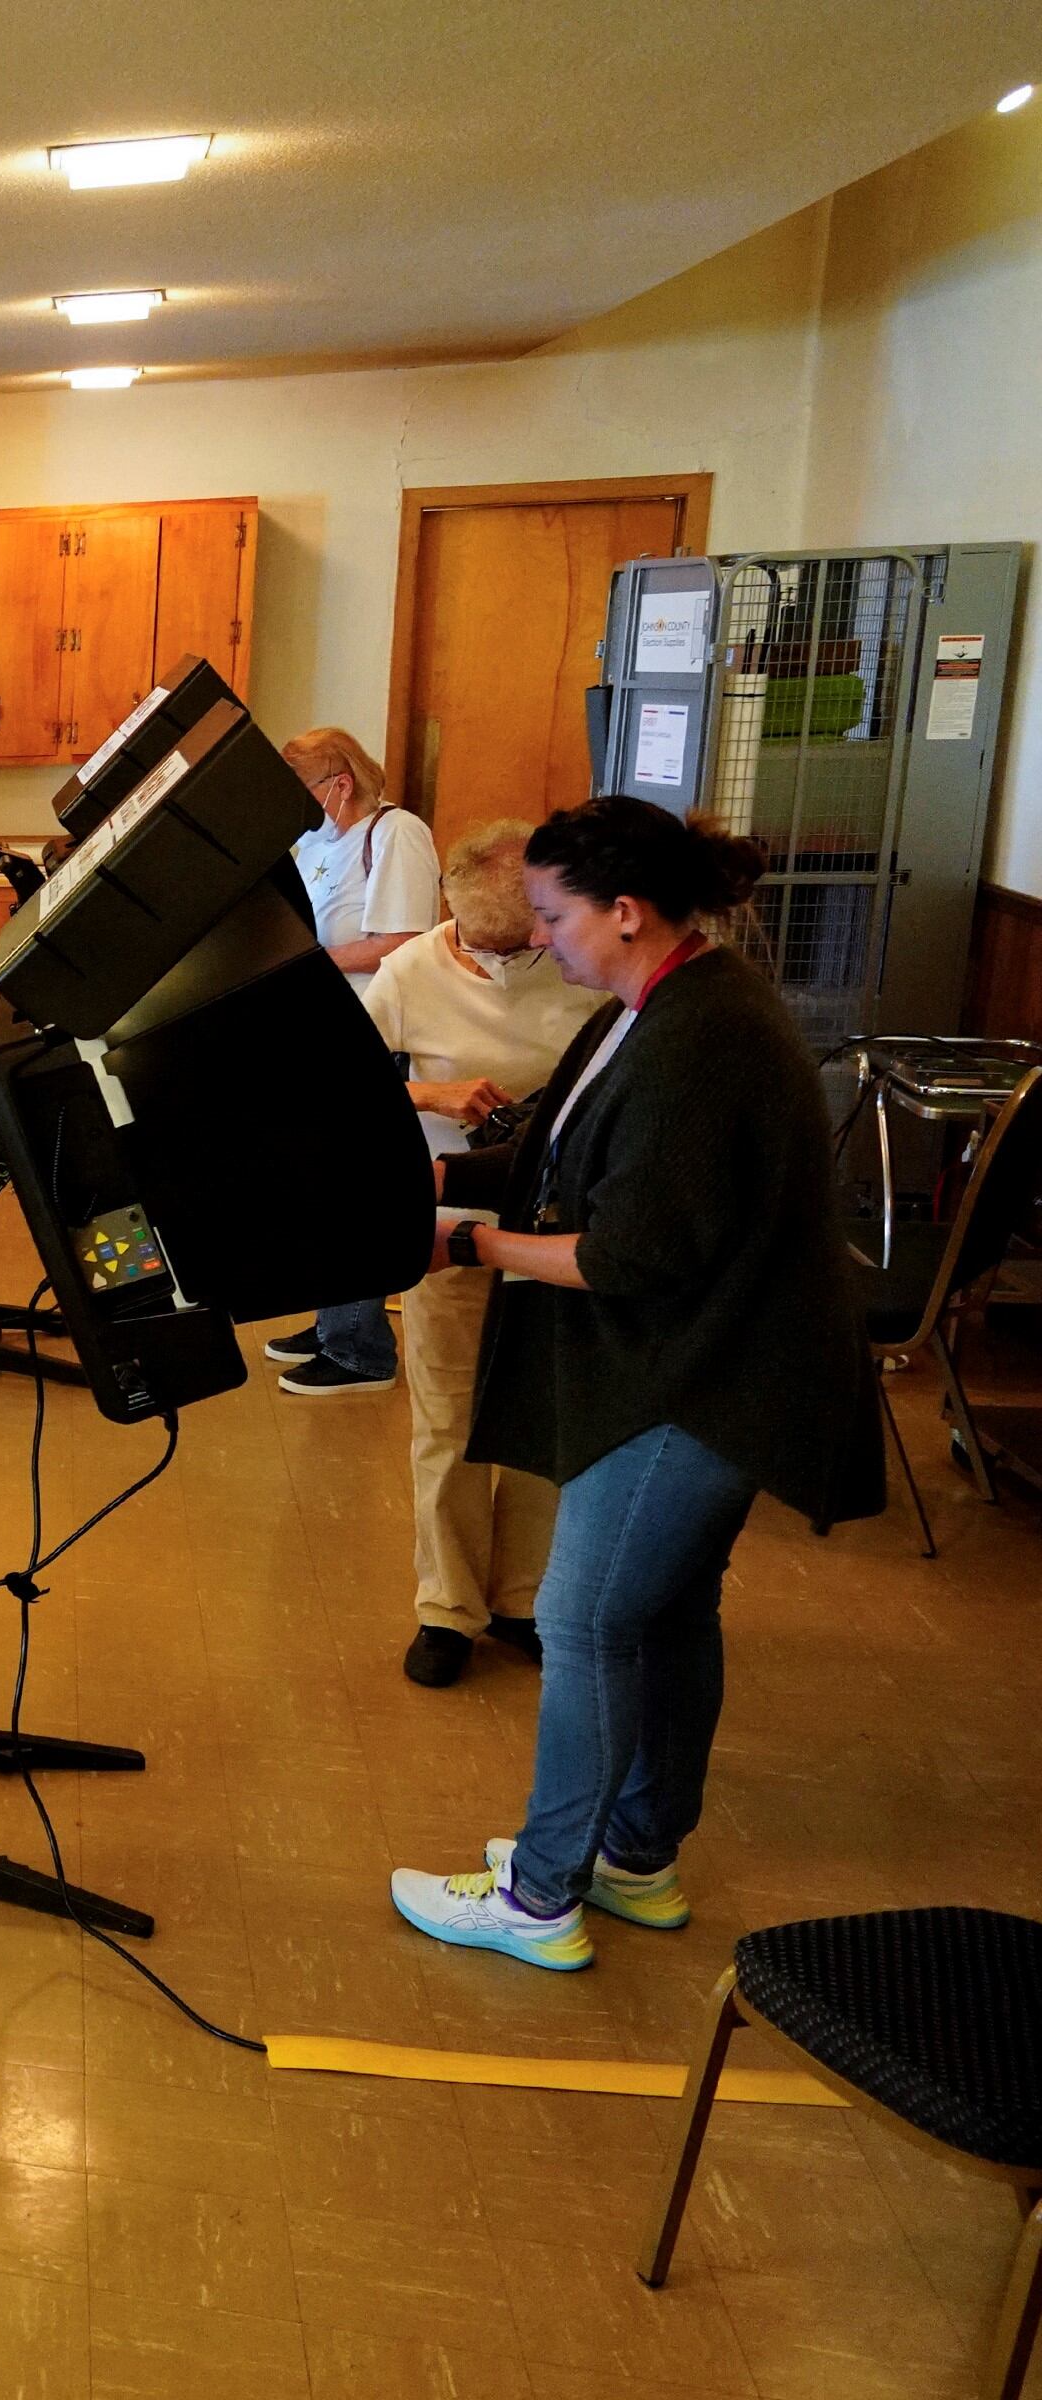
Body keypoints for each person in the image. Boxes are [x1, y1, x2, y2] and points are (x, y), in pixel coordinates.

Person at [389, 798, 880, 1971]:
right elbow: (558, 1151)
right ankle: (639, 1860)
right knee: (664, 1615)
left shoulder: (704, 1038)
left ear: (626, 912)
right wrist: (432, 1199)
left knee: (586, 1619)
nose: (540, 938)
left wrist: (465, 1245)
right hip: (716, 1360)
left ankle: (541, 1896)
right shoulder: (654, 1007)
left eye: (555, 916)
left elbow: (628, 1253)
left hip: (712, 1376)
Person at [362, 819, 608, 1688]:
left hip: (559, 1226)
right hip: (449, 1225)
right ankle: (448, 1608)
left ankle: (522, 1597)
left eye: (524, 945)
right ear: (452, 916)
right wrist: (433, 1090)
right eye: (486, 947)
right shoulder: (409, 971)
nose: (508, 960)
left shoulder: (581, 961)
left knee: (545, 1415)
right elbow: (350, 1085)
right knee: (449, 1422)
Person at [270, 726, 440, 1396]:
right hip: (325, 1024)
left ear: (339, 783)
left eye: (303, 790)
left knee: (361, 1184)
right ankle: (331, 1322)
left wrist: (308, 965)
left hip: (375, 1025)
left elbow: (403, 940)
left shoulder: (396, 834)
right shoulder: (317, 838)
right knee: (324, 1179)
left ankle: (361, 1349)